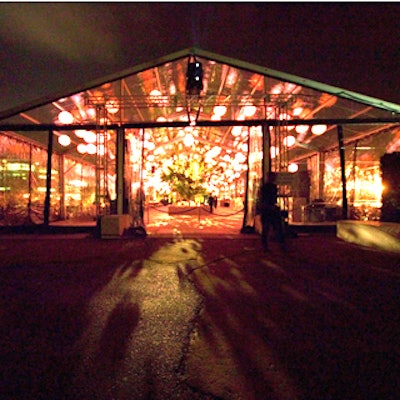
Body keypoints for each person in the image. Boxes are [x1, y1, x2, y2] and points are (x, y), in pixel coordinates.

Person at [256, 173, 285, 251]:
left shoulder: (265, 187)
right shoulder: (270, 187)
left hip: (267, 209)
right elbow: (269, 198)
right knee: (275, 227)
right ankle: (280, 244)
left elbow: (261, 198)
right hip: (269, 208)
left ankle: (266, 245)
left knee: (268, 228)